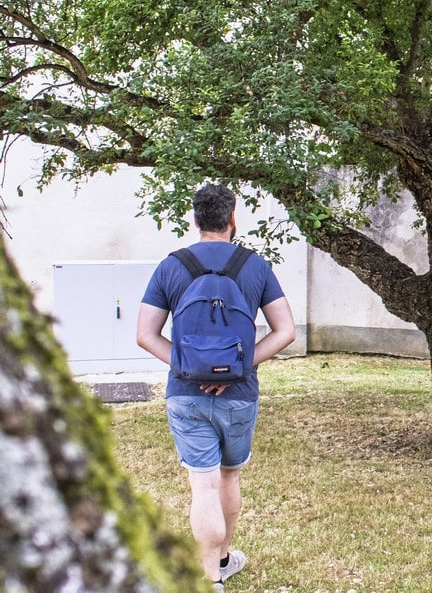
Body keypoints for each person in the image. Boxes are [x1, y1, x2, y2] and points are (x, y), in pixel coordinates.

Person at [136, 184, 296, 590]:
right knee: (228, 478)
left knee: (202, 483)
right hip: (239, 395)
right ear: (232, 219)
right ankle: (224, 557)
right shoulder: (255, 266)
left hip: (185, 394)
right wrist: (237, 367)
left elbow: (145, 335)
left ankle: (211, 578)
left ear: (194, 220)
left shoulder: (172, 266)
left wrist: (192, 369)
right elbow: (285, 331)